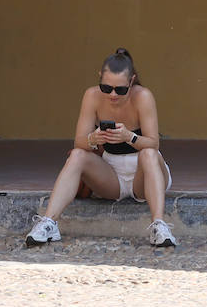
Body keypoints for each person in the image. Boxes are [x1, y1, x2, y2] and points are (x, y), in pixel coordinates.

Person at [25, 47, 176, 247]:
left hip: (145, 173)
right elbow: (79, 142)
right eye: (106, 88)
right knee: (78, 155)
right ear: (100, 79)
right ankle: (49, 223)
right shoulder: (92, 96)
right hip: (112, 176)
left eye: (120, 89)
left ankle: (159, 226)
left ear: (132, 81)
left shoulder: (143, 96)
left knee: (148, 153)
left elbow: (153, 143)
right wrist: (93, 139)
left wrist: (128, 136)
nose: (112, 94)